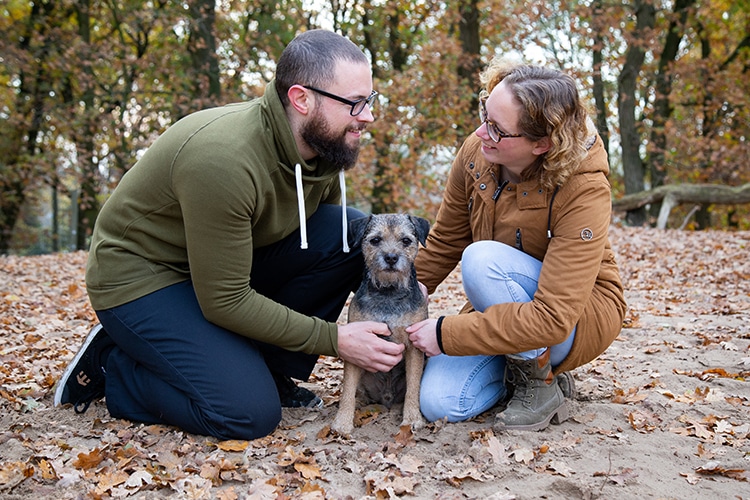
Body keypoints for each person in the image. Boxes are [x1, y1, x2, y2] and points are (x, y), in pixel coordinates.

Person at [53, 29, 406, 440]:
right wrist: (334, 339)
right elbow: (224, 299)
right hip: (143, 277)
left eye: (370, 100)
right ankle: (114, 365)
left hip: (221, 261)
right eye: (355, 104)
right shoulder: (224, 161)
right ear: (301, 99)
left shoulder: (320, 147)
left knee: (350, 235)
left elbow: (319, 236)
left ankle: (271, 371)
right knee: (246, 413)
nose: (368, 116)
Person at [407, 58, 627, 431]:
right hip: (500, 300)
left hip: (572, 317)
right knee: (440, 403)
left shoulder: (584, 187)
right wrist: (398, 301)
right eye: (484, 113)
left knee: (481, 259)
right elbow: (445, 241)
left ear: (542, 143)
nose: (480, 132)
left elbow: (552, 317)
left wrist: (446, 334)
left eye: (496, 129)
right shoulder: (477, 153)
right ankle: (514, 367)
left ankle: (540, 384)